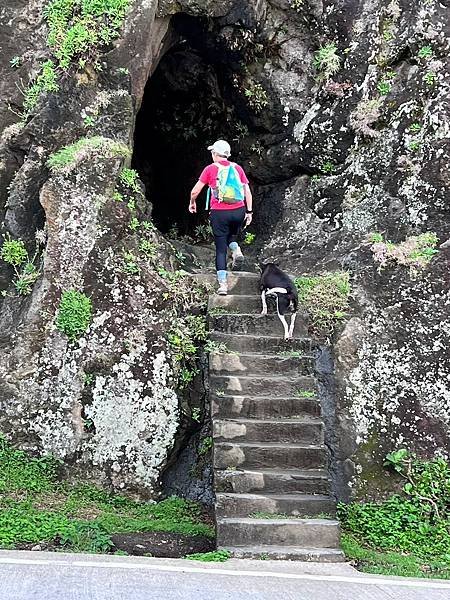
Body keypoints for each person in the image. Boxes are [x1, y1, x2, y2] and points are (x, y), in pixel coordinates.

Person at [189, 140, 253, 295]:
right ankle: (236, 250)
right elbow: (247, 192)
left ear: (215, 154)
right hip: (239, 211)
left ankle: (223, 285)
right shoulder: (237, 168)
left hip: (220, 213)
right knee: (232, 236)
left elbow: (195, 191)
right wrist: (249, 212)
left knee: (220, 250)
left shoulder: (210, 169)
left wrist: (192, 202)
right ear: (227, 154)